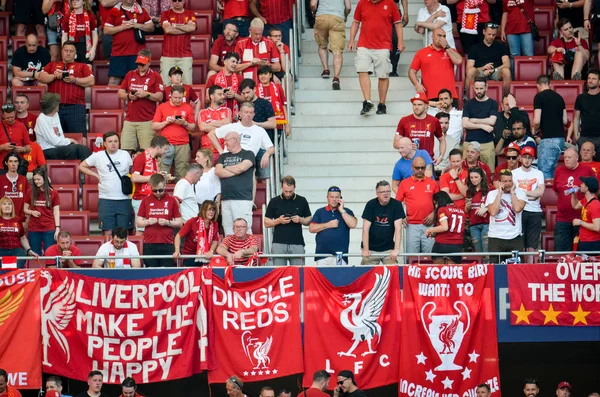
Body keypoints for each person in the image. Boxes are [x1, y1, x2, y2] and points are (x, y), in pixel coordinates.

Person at [348, 0, 404, 116]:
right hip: (364, 44)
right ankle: (367, 102)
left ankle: (382, 104)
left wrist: (400, 42)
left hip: (383, 45)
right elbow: (355, 22)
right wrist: (352, 40)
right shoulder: (362, 3)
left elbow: (398, 24)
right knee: (362, 70)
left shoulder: (390, 3)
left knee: (383, 75)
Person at [80, 132, 133, 235]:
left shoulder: (125, 154)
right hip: (106, 199)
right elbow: (81, 166)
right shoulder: (98, 155)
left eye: (115, 141)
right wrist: (96, 175)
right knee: (108, 231)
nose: (113, 144)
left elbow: (132, 170)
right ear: (104, 143)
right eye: (110, 141)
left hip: (124, 199)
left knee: (123, 232)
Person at [37, 41, 95, 133]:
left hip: (76, 107)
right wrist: (55, 76)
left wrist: (75, 80)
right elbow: (41, 78)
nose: (68, 53)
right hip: (54, 107)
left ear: (75, 53)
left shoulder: (82, 66)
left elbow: (91, 81)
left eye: (71, 51)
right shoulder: (52, 65)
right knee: (54, 136)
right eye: (66, 50)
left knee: (78, 136)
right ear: (62, 51)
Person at [211, 102, 275, 181]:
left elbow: (271, 148)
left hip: (247, 162)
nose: (249, 115)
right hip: (230, 158)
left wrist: (266, 154)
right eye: (246, 112)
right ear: (240, 113)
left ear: (254, 114)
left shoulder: (259, 130)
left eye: (251, 113)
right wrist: (220, 151)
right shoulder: (232, 126)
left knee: (251, 171)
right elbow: (211, 134)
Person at [119, 50, 165, 152]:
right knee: (125, 151)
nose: (140, 66)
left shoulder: (155, 76)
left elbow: (160, 96)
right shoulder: (130, 74)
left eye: (142, 64)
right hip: (129, 119)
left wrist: (146, 94)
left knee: (147, 151)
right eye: (138, 63)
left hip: (147, 120)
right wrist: (128, 96)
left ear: (149, 62)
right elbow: (120, 92)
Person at [553, 147, 596, 251]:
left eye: (569, 157)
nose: (566, 159)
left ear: (577, 157)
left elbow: (595, 190)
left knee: (581, 253)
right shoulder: (559, 171)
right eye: (565, 157)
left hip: (582, 219)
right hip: (562, 219)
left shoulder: (587, 170)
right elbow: (556, 191)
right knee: (561, 252)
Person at [264, 175, 312, 266]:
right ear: (281, 187)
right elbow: (266, 222)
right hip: (278, 242)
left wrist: (300, 220)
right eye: (285, 191)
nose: (288, 194)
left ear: (295, 187)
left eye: (291, 191)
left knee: (299, 273)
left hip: (297, 242)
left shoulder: (302, 200)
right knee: (278, 273)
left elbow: (309, 220)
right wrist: (279, 221)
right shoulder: (274, 201)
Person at [103, 0, 154, 85]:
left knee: (138, 80)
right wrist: (123, 27)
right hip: (119, 53)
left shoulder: (141, 10)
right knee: (114, 80)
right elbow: (106, 30)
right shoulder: (115, 11)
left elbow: (151, 27)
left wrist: (137, 25)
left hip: (137, 54)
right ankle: (112, 99)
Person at [136, 173, 182, 267]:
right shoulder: (145, 200)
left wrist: (168, 223)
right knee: (151, 274)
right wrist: (148, 222)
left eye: (160, 190)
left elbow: (179, 223)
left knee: (166, 274)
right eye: (155, 190)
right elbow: (138, 222)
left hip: (167, 243)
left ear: (165, 185)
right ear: (150, 187)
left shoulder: (172, 200)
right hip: (149, 244)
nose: (157, 193)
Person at [215, 131, 255, 235]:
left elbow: (241, 168)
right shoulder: (223, 156)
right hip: (226, 199)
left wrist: (226, 167)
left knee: (244, 231)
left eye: (226, 140)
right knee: (228, 231)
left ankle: (245, 251)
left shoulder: (248, 154)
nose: (225, 143)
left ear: (235, 140)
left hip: (242, 199)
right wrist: (237, 170)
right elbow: (218, 171)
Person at [397, 157, 439, 254]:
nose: (420, 170)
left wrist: (433, 214)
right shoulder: (404, 183)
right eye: (417, 168)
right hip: (411, 225)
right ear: (412, 167)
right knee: (412, 256)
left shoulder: (432, 183)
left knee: (429, 256)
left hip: (429, 225)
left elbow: (439, 202)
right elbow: (397, 203)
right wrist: (402, 216)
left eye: (422, 168)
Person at [152, 85, 196, 178]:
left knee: (182, 173)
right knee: (163, 172)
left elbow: (193, 127)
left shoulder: (187, 107)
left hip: (183, 144)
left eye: (180, 98)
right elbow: (154, 126)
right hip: (165, 145)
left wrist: (184, 123)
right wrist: (166, 122)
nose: (178, 100)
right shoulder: (162, 107)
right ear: (170, 96)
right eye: (175, 97)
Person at [409, 28, 462, 103]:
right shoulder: (422, 52)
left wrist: (447, 47)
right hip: (430, 95)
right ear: (432, 36)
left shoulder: (450, 51)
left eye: (444, 36)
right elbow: (412, 71)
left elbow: (459, 61)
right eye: (439, 36)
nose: (442, 38)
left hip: (449, 96)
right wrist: (417, 84)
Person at [130, 135, 170, 233]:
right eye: (165, 149)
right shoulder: (141, 158)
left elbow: (152, 178)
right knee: (141, 231)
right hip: (140, 199)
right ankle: (139, 248)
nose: (165, 152)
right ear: (158, 148)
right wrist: (153, 176)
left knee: (149, 230)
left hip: (149, 198)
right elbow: (134, 178)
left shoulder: (154, 159)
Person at [309, 186, 357, 265]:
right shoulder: (320, 212)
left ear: (340, 198)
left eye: (337, 197)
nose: (334, 199)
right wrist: (328, 225)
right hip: (322, 255)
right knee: (322, 277)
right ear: (327, 198)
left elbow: (353, 224)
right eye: (331, 197)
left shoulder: (346, 211)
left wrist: (341, 210)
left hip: (340, 255)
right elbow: (311, 228)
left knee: (339, 276)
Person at [35, 93, 92, 159]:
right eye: (58, 104)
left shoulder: (55, 114)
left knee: (82, 149)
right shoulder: (42, 119)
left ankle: (84, 166)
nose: (59, 105)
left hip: (58, 148)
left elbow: (60, 134)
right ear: (54, 106)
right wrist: (70, 140)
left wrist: (68, 142)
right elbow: (54, 141)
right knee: (76, 150)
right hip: (47, 151)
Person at [485, 169, 527, 259]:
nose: (508, 183)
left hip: (515, 238)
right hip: (496, 238)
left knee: (517, 270)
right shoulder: (492, 194)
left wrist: (512, 193)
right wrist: (500, 193)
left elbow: (517, 208)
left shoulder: (520, 193)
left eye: (510, 181)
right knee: (496, 270)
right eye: (505, 181)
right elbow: (493, 212)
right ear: (500, 182)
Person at [361, 180, 405, 264]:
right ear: (377, 193)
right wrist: (366, 249)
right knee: (368, 274)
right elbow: (365, 229)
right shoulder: (370, 204)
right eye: (383, 192)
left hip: (388, 249)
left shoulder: (397, 204)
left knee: (393, 272)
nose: (386, 194)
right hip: (371, 248)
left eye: (388, 191)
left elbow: (398, 229)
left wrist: (396, 249)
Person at [311, 0, 351, 90]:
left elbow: (313, 4)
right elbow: (348, 7)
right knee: (337, 51)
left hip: (321, 16)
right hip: (337, 18)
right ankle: (336, 77)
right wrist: (344, 15)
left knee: (322, 45)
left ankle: (326, 70)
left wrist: (314, 12)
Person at [394, 94, 445, 163]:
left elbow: (442, 140)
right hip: (409, 161)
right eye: (414, 104)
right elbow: (395, 143)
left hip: (427, 161)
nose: (416, 107)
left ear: (426, 106)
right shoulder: (404, 120)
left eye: (419, 105)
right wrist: (408, 145)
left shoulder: (434, 121)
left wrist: (440, 157)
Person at [512, 146, 545, 252]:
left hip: (535, 211)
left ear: (533, 159)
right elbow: (513, 192)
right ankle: (521, 267)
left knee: (532, 245)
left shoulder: (538, 173)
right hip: (520, 211)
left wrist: (523, 193)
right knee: (520, 243)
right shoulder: (514, 173)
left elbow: (540, 192)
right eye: (525, 157)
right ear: (520, 158)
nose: (527, 160)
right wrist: (532, 195)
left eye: (529, 157)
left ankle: (530, 267)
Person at [462, 77, 499, 170]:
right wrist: (482, 126)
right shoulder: (468, 104)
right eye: (477, 88)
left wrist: (474, 120)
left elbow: (492, 121)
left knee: (489, 172)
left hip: (487, 143)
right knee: (466, 172)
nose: (478, 91)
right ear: (474, 88)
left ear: (486, 87)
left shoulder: (493, 103)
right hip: (469, 142)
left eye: (481, 88)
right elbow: (465, 124)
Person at [465, 23, 511, 97]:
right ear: (484, 32)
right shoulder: (474, 48)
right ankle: (468, 98)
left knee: (506, 71)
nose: (491, 37)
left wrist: (494, 70)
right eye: (489, 34)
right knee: (470, 72)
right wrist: (483, 68)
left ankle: (506, 99)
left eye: (494, 35)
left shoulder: (501, 47)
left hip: (496, 71)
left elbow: (507, 64)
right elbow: (468, 68)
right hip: (480, 72)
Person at [24, 167, 60, 255]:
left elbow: (56, 212)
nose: (36, 182)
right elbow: (24, 209)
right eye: (35, 180)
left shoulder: (53, 192)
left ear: (44, 178)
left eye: (38, 179)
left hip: (49, 227)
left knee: (49, 254)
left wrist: (57, 228)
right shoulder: (30, 192)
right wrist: (32, 212)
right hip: (34, 228)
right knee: (35, 254)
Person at [160, 0, 197, 85]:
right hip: (167, 56)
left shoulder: (190, 13)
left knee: (187, 86)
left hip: (185, 56)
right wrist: (185, 27)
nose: (177, 2)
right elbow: (168, 29)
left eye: (179, 0)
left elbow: (192, 28)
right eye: (174, 0)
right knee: (165, 85)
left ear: (184, 1)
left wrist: (174, 25)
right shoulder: (165, 14)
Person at [234, 18, 281, 82]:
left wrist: (268, 64)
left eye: (260, 34)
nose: (258, 37)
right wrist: (250, 64)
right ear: (250, 30)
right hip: (247, 84)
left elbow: (278, 68)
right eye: (256, 34)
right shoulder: (240, 44)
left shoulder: (269, 43)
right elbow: (234, 68)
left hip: (265, 82)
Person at [174, 200, 219, 266]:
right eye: (209, 210)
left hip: (206, 256)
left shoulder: (215, 224)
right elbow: (178, 236)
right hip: (190, 256)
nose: (211, 212)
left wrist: (211, 251)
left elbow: (215, 240)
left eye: (213, 210)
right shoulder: (192, 221)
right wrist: (177, 251)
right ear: (203, 210)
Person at [425, 191, 466, 263]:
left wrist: (429, 229)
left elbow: (445, 227)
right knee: (453, 272)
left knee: (439, 271)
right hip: (457, 245)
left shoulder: (442, 209)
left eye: (436, 203)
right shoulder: (461, 211)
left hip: (442, 244)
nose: (436, 206)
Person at [0, 197, 38, 268]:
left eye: (9, 204)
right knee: (4, 271)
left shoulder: (17, 220)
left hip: (16, 250)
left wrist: (29, 250)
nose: (7, 206)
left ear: (12, 207)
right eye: (4, 204)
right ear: (0, 207)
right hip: (1, 250)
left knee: (17, 266)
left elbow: (22, 237)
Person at [206, 52, 245, 121]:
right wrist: (220, 96)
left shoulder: (240, 78)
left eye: (236, 62)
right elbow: (207, 99)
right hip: (217, 118)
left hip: (235, 118)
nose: (235, 64)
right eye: (233, 61)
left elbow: (245, 99)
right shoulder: (213, 78)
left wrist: (235, 95)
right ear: (225, 62)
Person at [199, 85, 233, 163]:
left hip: (224, 150)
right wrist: (221, 125)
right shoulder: (203, 112)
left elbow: (228, 125)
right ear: (212, 96)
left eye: (222, 94)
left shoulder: (227, 110)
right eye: (219, 94)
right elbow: (203, 128)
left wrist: (210, 124)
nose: (222, 96)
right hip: (207, 151)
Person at [256, 65, 290, 137]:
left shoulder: (278, 87)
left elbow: (283, 106)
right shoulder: (255, 89)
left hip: (277, 123)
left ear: (270, 75)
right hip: (260, 124)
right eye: (261, 74)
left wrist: (287, 124)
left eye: (265, 74)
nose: (263, 76)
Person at [572, 69, 600, 156]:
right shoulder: (581, 98)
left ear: (599, 82)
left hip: (599, 137)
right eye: (589, 78)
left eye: (594, 79)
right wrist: (577, 136)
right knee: (583, 166)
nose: (590, 81)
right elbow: (576, 118)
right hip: (584, 137)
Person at [571, 176, 600, 251]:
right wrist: (574, 194)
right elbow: (575, 205)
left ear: (587, 188)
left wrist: (580, 222)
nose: (580, 185)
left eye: (583, 183)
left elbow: (597, 227)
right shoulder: (586, 200)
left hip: (592, 243)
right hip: (584, 240)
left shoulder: (595, 205)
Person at [0, 152, 30, 221]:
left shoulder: (24, 180)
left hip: (21, 220)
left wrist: (27, 219)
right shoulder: (1, 179)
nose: (13, 164)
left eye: (15, 161)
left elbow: (29, 200)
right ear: (6, 163)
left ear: (18, 163)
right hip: (3, 220)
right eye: (10, 161)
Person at [466, 167, 490, 252]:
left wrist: (486, 208)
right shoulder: (469, 191)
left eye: (476, 177)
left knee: (487, 252)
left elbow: (497, 204)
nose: (473, 180)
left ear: (482, 177)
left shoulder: (490, 189)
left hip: (486, 223)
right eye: (471, 177)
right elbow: (467, 211)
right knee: (479, 252)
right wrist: (467, 207)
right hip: (474, 225)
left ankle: (488, 266)